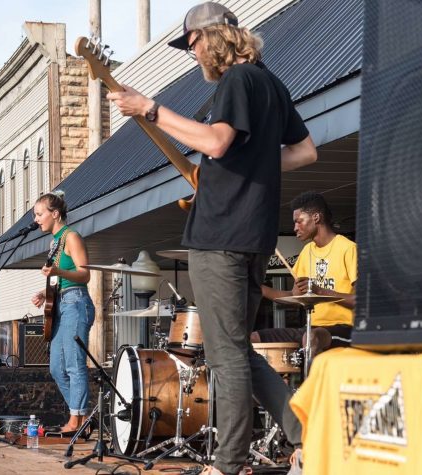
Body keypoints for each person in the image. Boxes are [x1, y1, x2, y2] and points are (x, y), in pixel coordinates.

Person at [107, 3, 317, 474]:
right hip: (252, 236)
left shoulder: (238, 82)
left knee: (225, 355)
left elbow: (217, 142)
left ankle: (228, 464)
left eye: (193, 43)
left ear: (212, 38)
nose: (192, 53)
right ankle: (307, 434)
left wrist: (149, 108)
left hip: (221, 235)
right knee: (238, 348)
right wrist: (249, 161)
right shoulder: (271, 83)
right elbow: (305, 151)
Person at [252, 191, 357, 359]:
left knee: (311, 337)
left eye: (299, 221)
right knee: (253, 338)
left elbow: (362, 301)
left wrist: (320, 291)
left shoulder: (348, 248)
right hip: (310, 327)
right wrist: (256, 287)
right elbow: (294, 297)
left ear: (316, 217)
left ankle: (311, 385)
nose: (295, 228)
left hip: (345, 328)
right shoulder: (307, 251)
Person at [31, 191, 95, 436]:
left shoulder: (72, 237)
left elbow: (84, 274)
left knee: (74, 364)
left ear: (55, 214)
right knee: (57, 368)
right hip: (60, 304)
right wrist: (43, 292)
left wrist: (58, 270)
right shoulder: (54, 242)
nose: (37, 219)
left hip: (76, 304)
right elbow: (60, 278)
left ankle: (75, 421)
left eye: (39, 214)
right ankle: (83, 416)